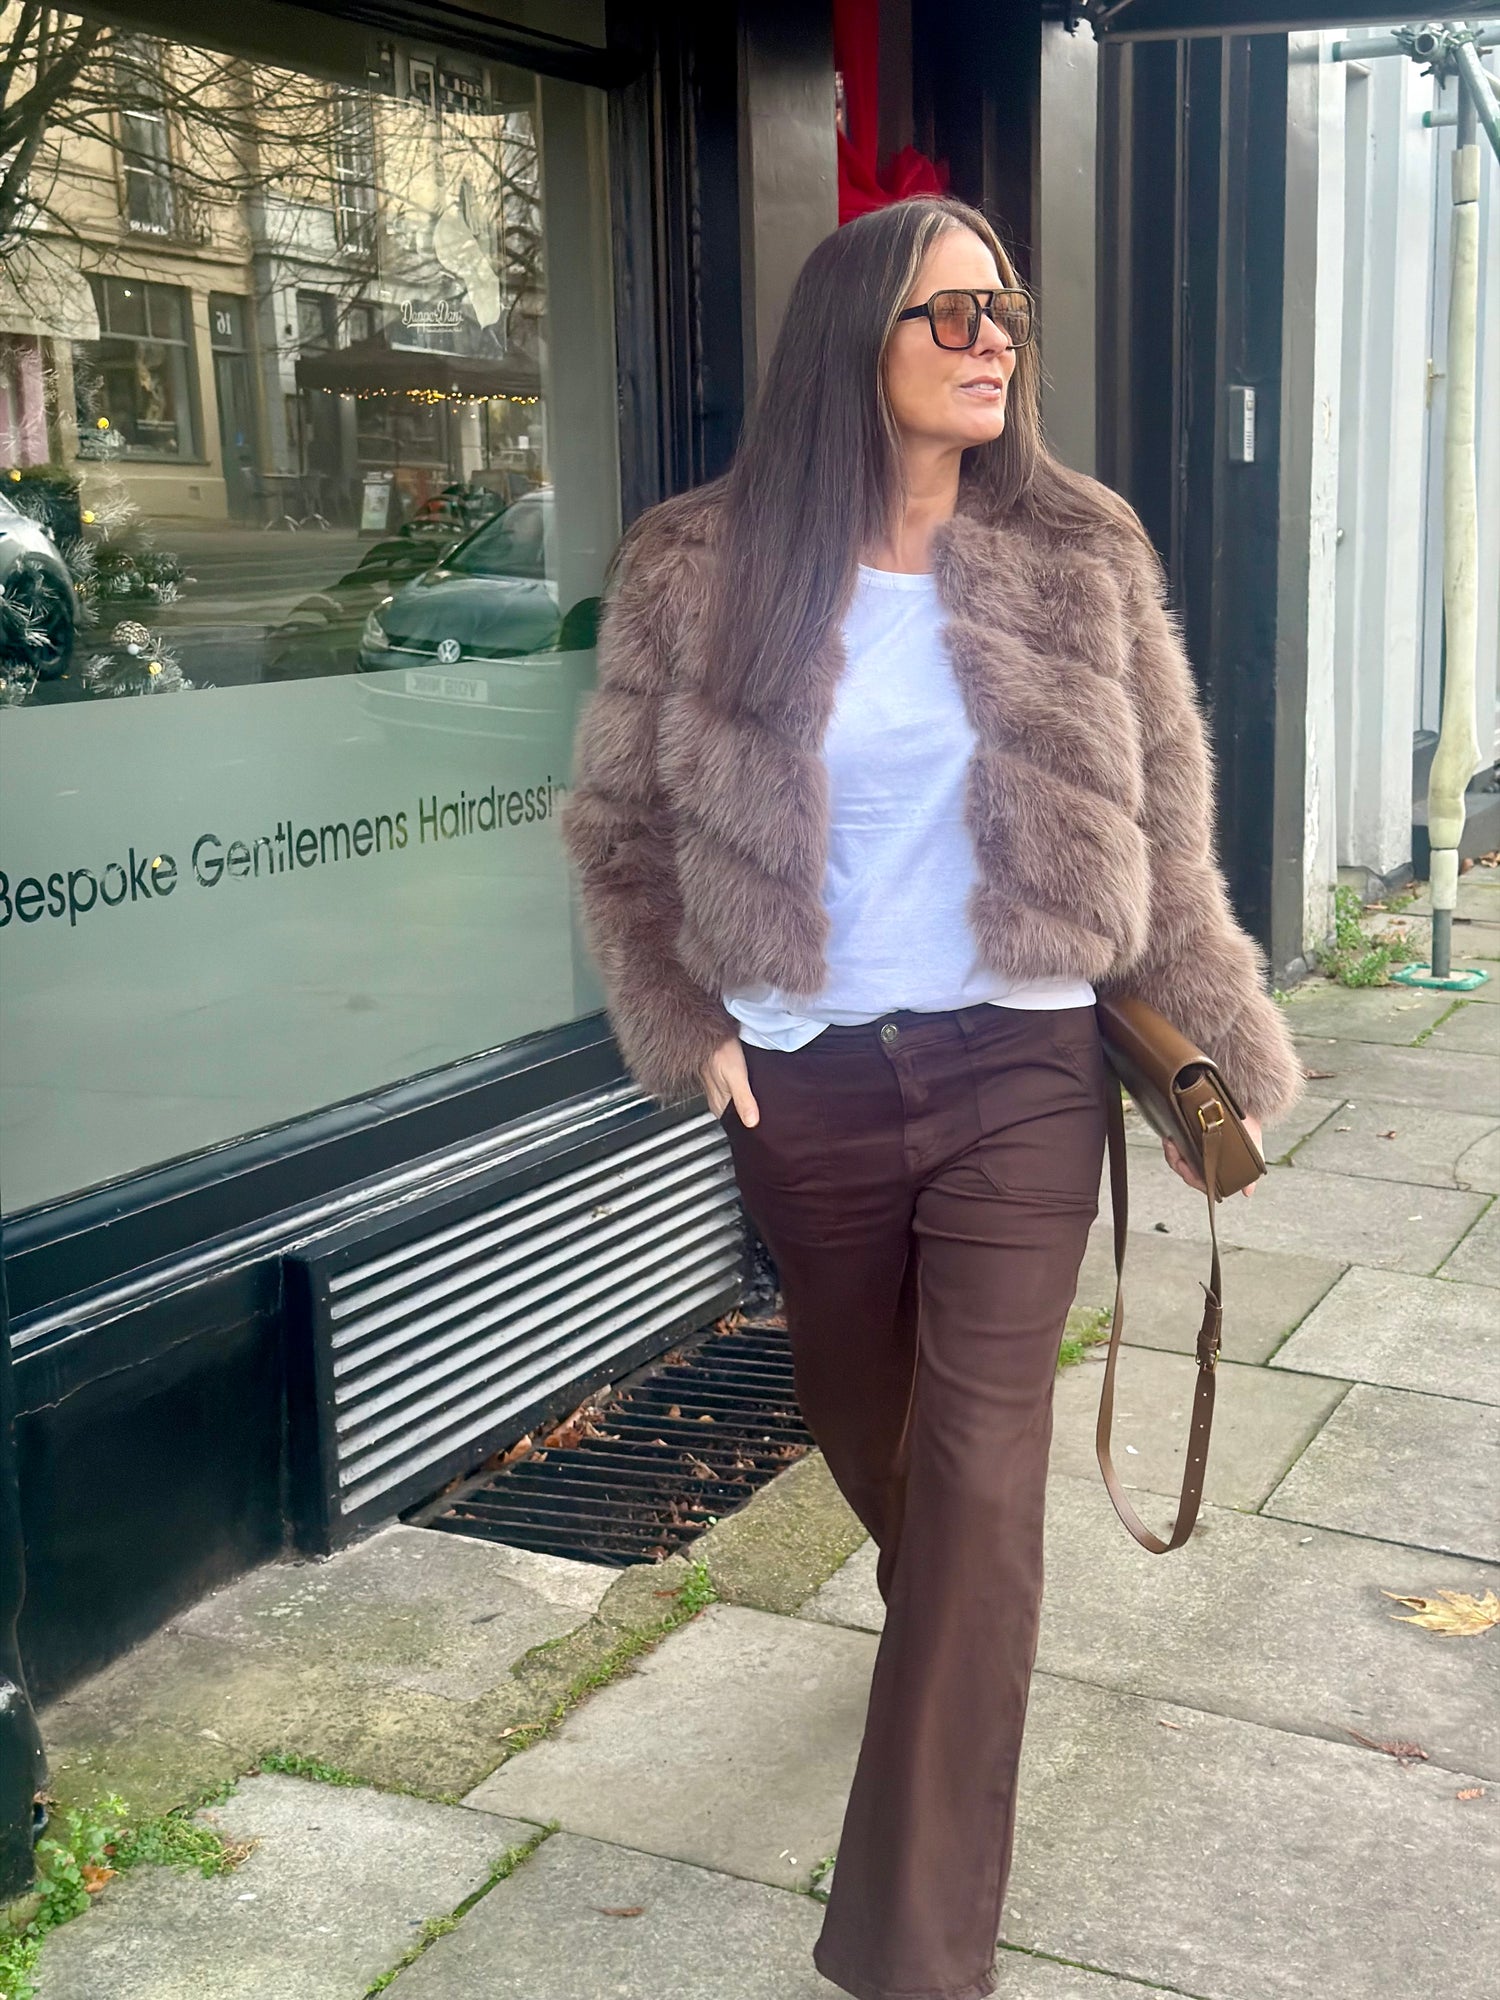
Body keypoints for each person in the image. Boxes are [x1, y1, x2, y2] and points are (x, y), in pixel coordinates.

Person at [560, 195, 1302, 2000]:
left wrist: (1218, 1050)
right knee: (866, 1425)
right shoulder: (698, 562)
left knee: (980, 1477)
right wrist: (685, 1022)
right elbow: (617, 828)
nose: (993, 343)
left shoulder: (1077, 545)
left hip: (1017, 1071)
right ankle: (944, 1626)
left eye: (1004, 311)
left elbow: (1170, 826)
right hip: (803, 1082)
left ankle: (913, 1958)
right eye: (949, 314)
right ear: (853, 340)